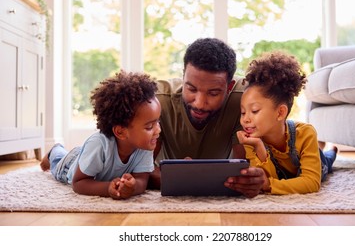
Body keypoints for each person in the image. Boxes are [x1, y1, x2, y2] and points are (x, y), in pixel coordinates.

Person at [149, 37, 266, 198]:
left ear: (229, 87)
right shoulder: (157, 101)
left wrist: (251, 179)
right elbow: (141, 169)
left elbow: (244, 168)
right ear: (183, 76)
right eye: (191, 88)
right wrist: (179, 178)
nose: (200, 103)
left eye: (213, 93)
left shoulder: (243, 100)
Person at [40, 71, 161, 200]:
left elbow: (142, 180)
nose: (158, 130)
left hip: (89, 157)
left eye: (158, 122)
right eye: (149, 126)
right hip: (70, 164)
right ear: (120, 132)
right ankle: (53, 151)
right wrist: (108, 188)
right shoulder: (98, 145)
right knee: (58, 160)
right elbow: (78, 184)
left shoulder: (145, 145)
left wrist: (132, 186)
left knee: (88, 156)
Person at [236, 51, 337, 195]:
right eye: (243, 112)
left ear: (280, 113)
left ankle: (331, 152)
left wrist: (269, 185)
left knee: (326, 161)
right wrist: (259, 147)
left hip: (316, 162)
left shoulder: (305, 133)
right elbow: (268, 178)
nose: (245, 119)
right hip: (288, 171)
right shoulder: (251, 140)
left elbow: (311, 182)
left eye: (254, 110)